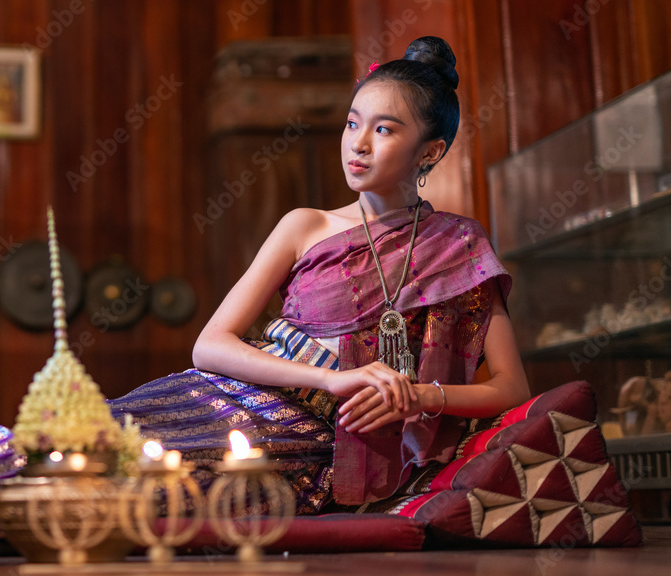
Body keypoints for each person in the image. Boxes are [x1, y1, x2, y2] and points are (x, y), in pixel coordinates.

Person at [109, 36, 530, 514]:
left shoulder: (459, 244)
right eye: (352, 124)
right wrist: (329, 380)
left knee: (148, 488)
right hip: (235, 394)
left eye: (385, 130)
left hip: (328, 437)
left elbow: (510, 387)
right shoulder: (305, 225)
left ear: (429, 152)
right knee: (92, 439)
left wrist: (415, 397)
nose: (359, 143)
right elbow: (210, 345)